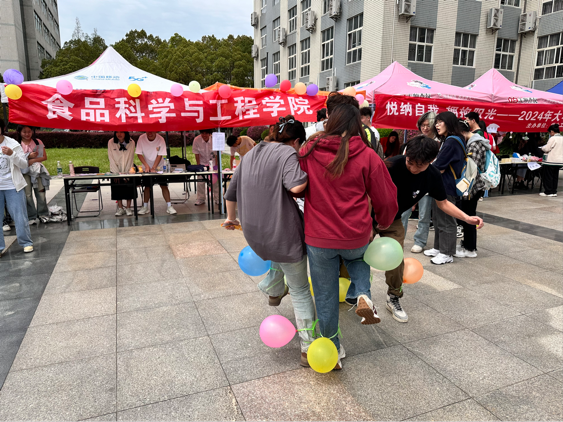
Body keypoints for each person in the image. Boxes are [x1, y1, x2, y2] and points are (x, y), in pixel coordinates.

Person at [299, 103, 398, 369]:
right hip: (355, 233)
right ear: (358, 125)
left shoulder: (308, 150)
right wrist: (383, 223)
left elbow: (297, 186)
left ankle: (332, 348)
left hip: (319, 237)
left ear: (330, 121)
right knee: (358, 259)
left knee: (325, 296)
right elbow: (386, 198)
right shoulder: (367, 155)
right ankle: (363, 293)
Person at [223, 117, 316, 368]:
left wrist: (231, 219)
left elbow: (230, 193)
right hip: (282, 234)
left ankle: (273, 289)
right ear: (296, 141)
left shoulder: (250, 154)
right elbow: (296, 186)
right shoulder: (288, 153)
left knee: (276, 250)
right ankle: (308, 347)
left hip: (255, 235)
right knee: (300, 290)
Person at [378, 136, 484, 322]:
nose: (413, 168)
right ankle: (352, 291)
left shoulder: (432, 175)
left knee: (395, 258)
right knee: (354, 253)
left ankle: (393, 296)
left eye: (420, 165)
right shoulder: (390, 165)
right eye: (410, 162)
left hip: (393, 219)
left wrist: (466, 218)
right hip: (368, 215)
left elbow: (443, 203)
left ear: (431, 161)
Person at [423, 111, 466, 265]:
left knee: (446, 219)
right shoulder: (450, 139)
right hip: (442, 184)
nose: (437, 125)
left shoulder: (452, 141)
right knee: (438, 218)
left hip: (447, 186)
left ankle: (447, 253)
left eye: (440, 122)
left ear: (449, 123)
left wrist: (431, 167)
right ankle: (439, 248)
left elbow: (439, 165)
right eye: (436, 122)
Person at [401, 112, 438, 253]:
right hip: (409, 182)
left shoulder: (438, 143)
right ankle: (399, 238)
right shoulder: (415, 141)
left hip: (427, 184)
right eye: (423, 125)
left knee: (424, 214)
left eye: (428, 125)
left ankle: (420, 241)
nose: (425, 128)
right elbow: (404, 160)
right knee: (403, 212)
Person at [455, 121, 489, 258]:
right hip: (474, 185)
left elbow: (471, 169)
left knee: (469, 216)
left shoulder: (474, 144)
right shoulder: (476, 142)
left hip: (472, 186)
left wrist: (463, 188)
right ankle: (467, 244)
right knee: (468, 215)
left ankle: (470, 248)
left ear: (463, 132)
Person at [0, 120, 33, 254]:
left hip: (13, 185)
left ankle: (26, 242)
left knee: (19, 216)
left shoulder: (12, 144)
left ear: (2, 128)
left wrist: (11, 154)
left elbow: (24, 164)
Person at [135, 131, 177, 215]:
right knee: (147, 187)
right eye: (148, 132)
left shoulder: (160, 139)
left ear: (156, 131)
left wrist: (154, 167)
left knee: (164, 186)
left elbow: (160, 155)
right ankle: (145, 207)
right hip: (146, 167)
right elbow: (139, 154)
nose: (150, 133)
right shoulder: (141, 138)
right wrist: (146, 166)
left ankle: (169, 206)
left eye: (152, 132)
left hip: (159, 167)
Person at [17, 125, 49, 225]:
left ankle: (43, 214)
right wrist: (28, 157)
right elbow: (16, 158)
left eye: (29, 131)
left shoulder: (37, 142)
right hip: (24, 172)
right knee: (27, 195)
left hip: (37, 171)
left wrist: (33, 160)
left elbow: (44, 157)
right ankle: (31, 216)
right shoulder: (17, 144)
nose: (27, 134)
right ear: (19, 132)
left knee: (41, 192)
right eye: (24, 132)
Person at [108, 131, 136, 216]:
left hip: (128, 169)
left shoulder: (131, 142)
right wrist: (116, 173)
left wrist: (127, 174)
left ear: (126, 133)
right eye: (117, 132)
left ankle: (128, 208)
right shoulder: (111, 142)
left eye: (122, 132)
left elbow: (130, 158)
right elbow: (111, 158)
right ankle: (120, 208)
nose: (119, 134)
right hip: (115, 169)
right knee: (117, 188)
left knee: (129, 188)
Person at [192, 129, 220, 206]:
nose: (204, 135)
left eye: (206, 133)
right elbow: (196, 154)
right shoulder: (196, 140)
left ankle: (217, 198)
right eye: (202, 133)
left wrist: (216, 166)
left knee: (215, 182)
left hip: (213, 163)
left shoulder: (215, 139)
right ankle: (200, 199)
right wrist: (198, 166)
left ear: (210, 134)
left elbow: (218, 154)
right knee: (200, 181)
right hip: (202, 163)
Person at [540, 124, 563, 197]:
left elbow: (547, 148)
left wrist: (542, 148)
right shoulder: (562, 138)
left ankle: (548, 192)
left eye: (550, 132)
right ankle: (554, 191)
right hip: (559, 161)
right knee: (555, 177)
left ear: (552, 131)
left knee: (548, 176)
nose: (550, 134)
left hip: (550, 161)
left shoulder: (553, 138)